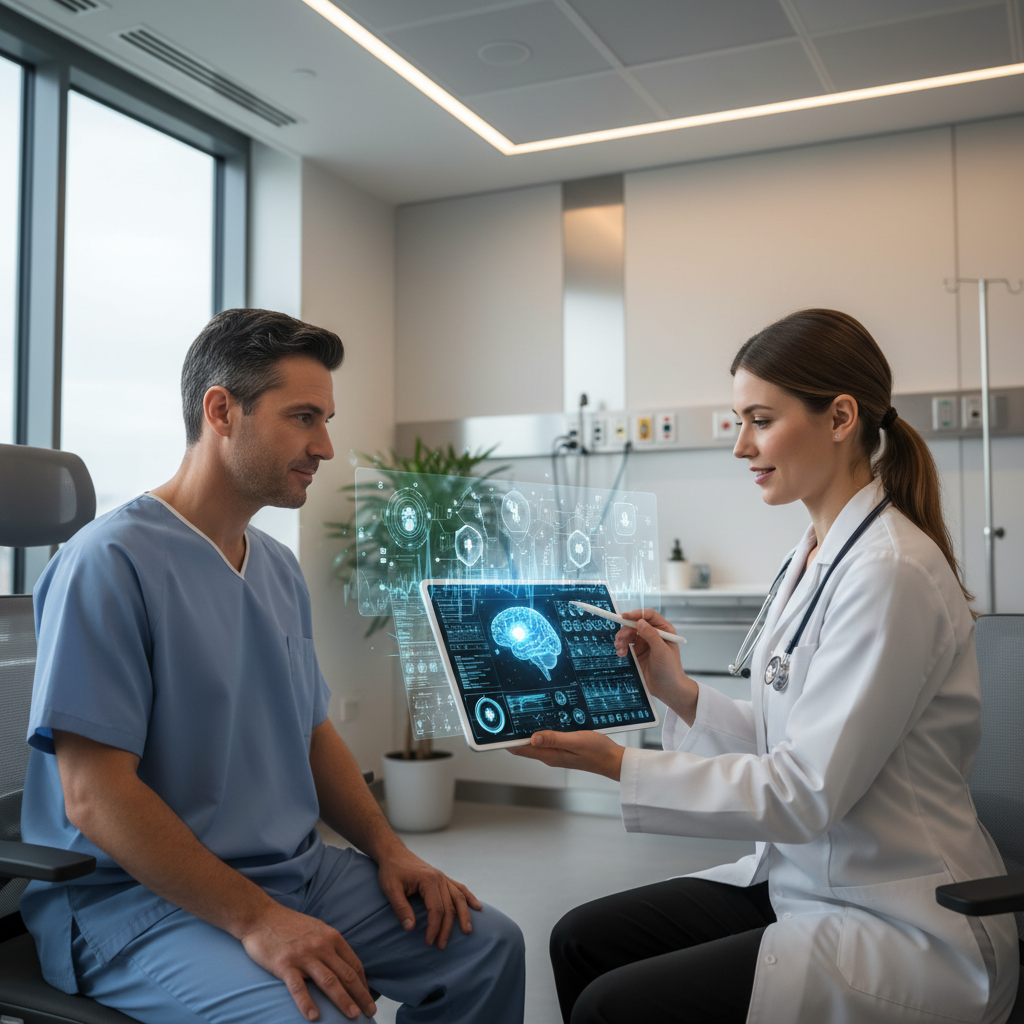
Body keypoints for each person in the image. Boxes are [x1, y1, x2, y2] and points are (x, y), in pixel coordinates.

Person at [512, 309, 1018, 1024]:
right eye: (737, 421)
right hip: (812, 876)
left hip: (901, 915)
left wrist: (615, 764)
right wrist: (680, 693)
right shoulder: (810, 555)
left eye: (760, 419)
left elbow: (803, 792)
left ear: (840, 416)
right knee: (581, 940)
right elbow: (793, 737)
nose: (741, 445)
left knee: (611, 1006)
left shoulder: (890, 570)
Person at [21, 308, 525, 1024]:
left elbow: (312, 731)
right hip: (142, 902)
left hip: (296, 872)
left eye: (325, 419)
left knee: (487, 948)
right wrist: (257, 918)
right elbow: (94, 798)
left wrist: (388, 849)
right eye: (303, 417)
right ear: (222, 410)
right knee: (311, 1013)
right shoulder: (108, 564)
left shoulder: (278, 571)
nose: (324, 445)